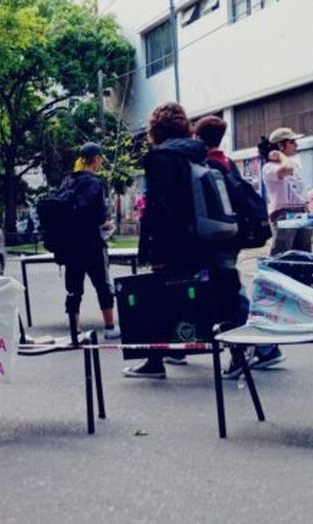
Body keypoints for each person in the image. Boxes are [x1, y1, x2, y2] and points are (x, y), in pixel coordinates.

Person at [125, 103, 247, 379]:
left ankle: (155, 362)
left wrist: (154, 250)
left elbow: (161, 207)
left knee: (159, 300)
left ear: (155, 130)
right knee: (218, 298)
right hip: (207, 238)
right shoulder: (198, 154)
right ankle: (237, 357)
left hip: (175, 243)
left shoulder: (161, 158)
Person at [192, 115, 285, 375]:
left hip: (220, 236)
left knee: (230, 293)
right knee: (231, 288)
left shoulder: (208, 164)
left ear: (198, 137)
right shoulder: (226, 161)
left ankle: (260, 348)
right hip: (234, 234)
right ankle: (262, 347)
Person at [61, 143, 120, 340]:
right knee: (102, 285)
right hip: (92, 244)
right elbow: (99, 218)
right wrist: (108, 225)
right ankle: (110, 327)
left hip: (70, 245)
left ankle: (74, 329)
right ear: (96, 159)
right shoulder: (95, 183)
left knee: (73, 289)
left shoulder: (67, 182)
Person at [263, 127, 311, 255]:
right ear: (280, 145)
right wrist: (280, 155)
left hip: (301, 210)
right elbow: (287, 169)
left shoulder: (294, 164)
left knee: (304, 254)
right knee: (282, 253)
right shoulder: (269, 167)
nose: (296, 145)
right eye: (292, 142)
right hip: (284, 213)